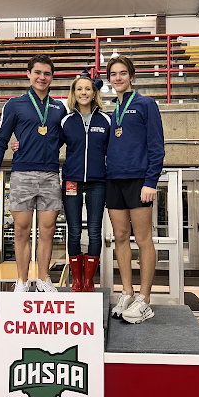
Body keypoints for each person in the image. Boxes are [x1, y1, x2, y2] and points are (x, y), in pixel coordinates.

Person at [0, 55, 67, 293]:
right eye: (38, 72)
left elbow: (63, 138)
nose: (42, 77)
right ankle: (21, 281)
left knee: (48, 231)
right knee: (21, 230)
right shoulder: (14, 104)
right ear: (29, 74)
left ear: (52, 77)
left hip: (51, 175)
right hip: (22, 174)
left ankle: (43, 279)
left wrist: (35, 141)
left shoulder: (59, 108)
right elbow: (0, 141)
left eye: (47, 73)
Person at [105, 55, 165, 324]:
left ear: (131, 76)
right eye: (113, 74)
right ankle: (127, 292)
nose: (118, 77)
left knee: (143, 239)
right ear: (109, 79)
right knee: (119, 236)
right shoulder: (110, 111)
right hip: (113, 180)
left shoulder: (145, 104)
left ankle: (145, 299)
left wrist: (151, 181)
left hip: (139, 180)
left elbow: (157, 145)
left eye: (122, 73)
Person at [60, 71, 110, 292]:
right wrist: (20, 146)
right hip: (71, 180)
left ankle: (89, 281)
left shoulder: (106, 120)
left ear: (94, 92)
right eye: (79, 89)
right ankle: (77, 280)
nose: (83, 92)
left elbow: (114, 150)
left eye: (87, 89)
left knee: (94, 230)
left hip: (98, 182)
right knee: (73, 231)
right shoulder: (66, 121)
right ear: (74, 92)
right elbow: (50, 144)